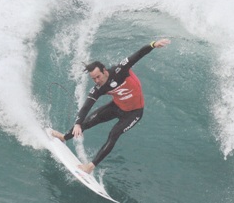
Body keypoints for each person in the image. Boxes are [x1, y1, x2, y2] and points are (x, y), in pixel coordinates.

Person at [51, 39, 170, 173]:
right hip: (117, 107)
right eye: (93, 79)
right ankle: (64, 137)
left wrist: (153, 45)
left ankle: (90, 167)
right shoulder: (99, 88)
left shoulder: (120, 70)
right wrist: (77, 124)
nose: (97, 81)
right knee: (87, 122)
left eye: (98, 77)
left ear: (104, 71)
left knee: (114, 134)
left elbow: (138, 54)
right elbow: (86, 106)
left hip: (134, 113)